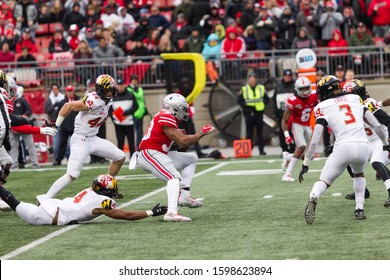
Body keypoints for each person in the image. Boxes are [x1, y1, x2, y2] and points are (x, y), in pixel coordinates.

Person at [299, 75, 390, 224]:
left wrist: (306, 163)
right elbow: (377, 125)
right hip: (362, 146)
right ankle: (359, 209)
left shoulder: (321, 107)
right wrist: (385, 142)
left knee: (324, 180)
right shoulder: (356, 99)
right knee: (359, 174)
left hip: (341, 147)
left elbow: (315, 139)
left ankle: (314, 195)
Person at [38, 74, 126, 201]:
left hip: (93, 138)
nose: (109, 93)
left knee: (120, 157)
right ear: (100, 89)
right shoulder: (93, 100)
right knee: (72, 175)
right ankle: (45, 199)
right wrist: (56, 125)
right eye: (106, 90)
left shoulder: (109, 99)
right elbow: (68, 106)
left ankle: (107, 187)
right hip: (80, 140)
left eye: (111, 90)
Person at [133, 93, 216, 222]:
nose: (185, 111)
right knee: (174, 177)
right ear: (175, 108)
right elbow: (183, 141)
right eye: (183, 108)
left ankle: (184, 196)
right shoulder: (166, 116)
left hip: (159, 152)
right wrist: (201, 133)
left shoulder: (166, 117)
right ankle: (171, 212)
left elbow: (176, 144)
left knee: (191, 159)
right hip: (149, 153)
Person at [0, 174, 167, 225]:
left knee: (13, 200)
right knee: (11, 200)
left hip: (55, 206)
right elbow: (125, 215)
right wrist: (150, 212)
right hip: (45, 216)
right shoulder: (101, 202)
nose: (115, 192)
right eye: (112, 190)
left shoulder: (92, 191)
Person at [341, 79, 390, 207]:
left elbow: (388, 121)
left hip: (381, 140)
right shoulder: (351, 107)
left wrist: (388, 141)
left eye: (349, 93)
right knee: (347, 158)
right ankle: (363, 191)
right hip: (367, 143)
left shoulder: (369, 103)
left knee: (376, 162)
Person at [281, 76, 318, 182]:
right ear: (297, 89)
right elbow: (284, 120)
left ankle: (288, 157)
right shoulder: (293, 101)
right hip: (297, 125)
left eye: (306, 88)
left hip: (307, 125)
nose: (305, 91)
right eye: (302, 89)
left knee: (308, 155)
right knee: (301, 147)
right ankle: (287, 174)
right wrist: (287, 135)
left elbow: (318, 106)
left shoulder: (314, 96)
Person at [237, 72, 269, 155]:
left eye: (253, 78)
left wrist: (263, 104)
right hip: (249, 112)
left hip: (259, 112)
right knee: (249, 132)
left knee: (260, 132)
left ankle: (261, 150)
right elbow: (239, 101)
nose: (252, 79)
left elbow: (267, 99)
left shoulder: (261, 88)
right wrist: (246, 107)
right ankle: (248, 150)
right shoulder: (244, 88)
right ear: (248, 79)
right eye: (250, 78)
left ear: (255, 79)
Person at [109, 78, 138, 157]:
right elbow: (109, 109)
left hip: (129, 122)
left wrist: (126, 113)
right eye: (119, 85)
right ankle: (120, 158)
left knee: (131, 142)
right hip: (118, 123)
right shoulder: (113, 96)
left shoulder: (130, 94)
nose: (120, 87)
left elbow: (136, 106)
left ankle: (133, 158)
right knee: (120, 142)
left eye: (122, 85)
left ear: (124, 85)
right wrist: (113, 119)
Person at [53, 85, 79, 166]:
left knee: (76, 144)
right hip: (65, 126)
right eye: (68, 91)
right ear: (66, 92)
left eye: (71, 91)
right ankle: (58, 159)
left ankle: (76, 160)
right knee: (62, 144)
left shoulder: (78, 100)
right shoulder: (62, 102)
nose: (70, 93)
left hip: (75, 126)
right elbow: (59, 114)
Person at [272, 69, 295, 154]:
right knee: (282, 133)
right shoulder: (278, 86)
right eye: (286, 75)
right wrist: (275, 112)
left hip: (292, 113)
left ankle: (292, 149)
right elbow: (274, 100)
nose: (287, 77)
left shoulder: (295, 85)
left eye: (289, 76)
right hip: (281, 113)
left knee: (293, 132)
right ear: (284, 76)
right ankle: (284, 150)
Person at [44, 83, 65, 161]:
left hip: (63, 123)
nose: (55, 90)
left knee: (66, 143)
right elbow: (46, 110)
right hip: (54, 123)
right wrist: (54, 106)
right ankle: (57, 159)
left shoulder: (63, 98)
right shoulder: (49, 99)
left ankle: (68, 158)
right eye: (53, 89)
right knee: (55, 142)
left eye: (56, 89)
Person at [127, 74, 147, 148]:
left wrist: (145, 109)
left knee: (140, 132)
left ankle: (140, 146)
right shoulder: (128, 89)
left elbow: (143, 100)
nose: (135, 82)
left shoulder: (140, 89)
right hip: (133, 113)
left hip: (140, 112)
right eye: (134, 80)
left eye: (136, 80)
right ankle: (135, 147)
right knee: (133, 132)